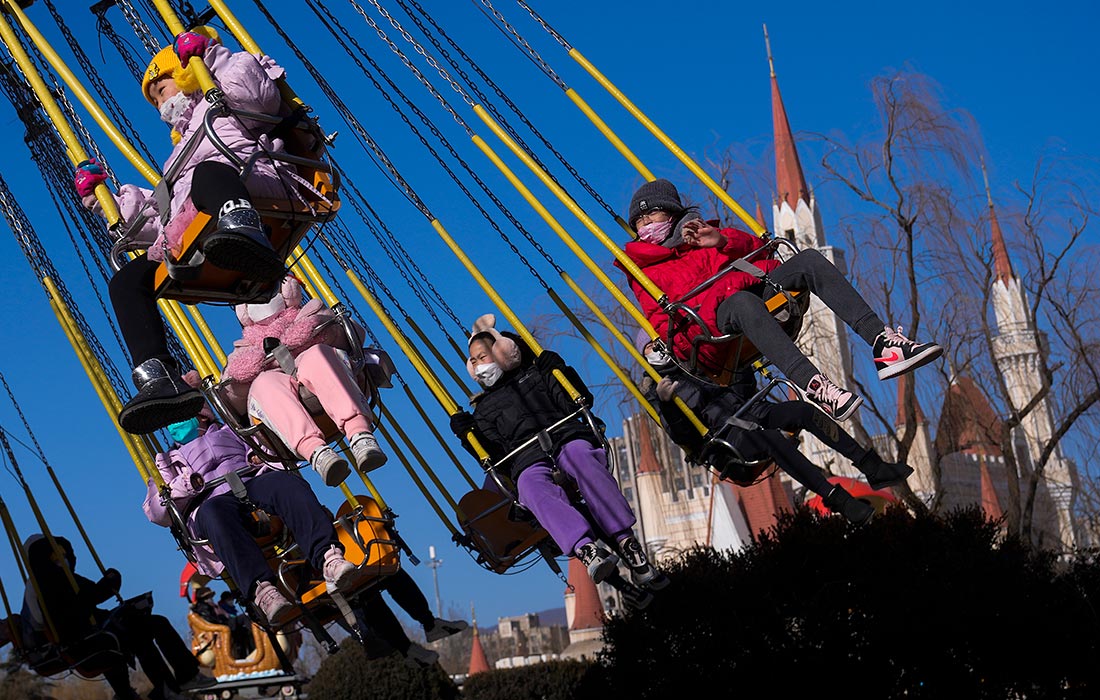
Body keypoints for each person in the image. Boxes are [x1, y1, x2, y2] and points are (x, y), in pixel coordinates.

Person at [77, 27, 314, 435]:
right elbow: (164, 218)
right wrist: (113, 205)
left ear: (185, 73)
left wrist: (212, 59)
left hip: (256, 183)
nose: (161, 102)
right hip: (205, 220)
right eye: (154, 99)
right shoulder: (179, 151)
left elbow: (258, 96)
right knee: (126, 280)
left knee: (208, 171)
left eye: (163, 88)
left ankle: (243, 229)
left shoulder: (220, 99)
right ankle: (159, 376)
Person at [616, 179, 943, 422]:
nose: (648, 227)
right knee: (743, 302)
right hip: (708, 332)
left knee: (810, 261)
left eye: (653, 217)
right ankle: (816, 386)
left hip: (748, 290)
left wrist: (722, 240)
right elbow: (663, 322)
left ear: (672, 215)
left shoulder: (698, 234)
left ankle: (884, 344)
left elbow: (762, 251)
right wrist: (728, 286)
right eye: (641, 223)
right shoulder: (641, 269)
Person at [141, 405, 435, 664]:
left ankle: (328, 556)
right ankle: (262, 589)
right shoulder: (168, 460)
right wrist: (184, 487)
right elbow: (157, 510)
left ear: (201, 416)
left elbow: (268, 448)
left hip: (250, 482)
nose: (174, 426)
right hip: (211, 501)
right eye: (171, 422)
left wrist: (262, 457)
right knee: (214, 515)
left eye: (182, 417)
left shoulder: (232, 429)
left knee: (287, 484)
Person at [449, 314, 669, 598]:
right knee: (529, 486)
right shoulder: (484, 410)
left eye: (484, 356)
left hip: (565, 437)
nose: (480, 366)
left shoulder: (537, 375)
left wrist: (560, 372)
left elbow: (578, 400)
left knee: (581, 457)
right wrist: (470, 436)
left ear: (504, 350)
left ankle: (625, 540)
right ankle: (585, 548)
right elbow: (496, 456)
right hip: (526, 457)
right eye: (474, 361)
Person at [638, 333, 913, 524]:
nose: (658, 348)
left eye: (659, 341)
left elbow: (741, 388)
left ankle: (871, 465)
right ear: (644, 355)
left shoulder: (695, 361)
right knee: (769, 439)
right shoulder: (657, 392)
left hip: (751, 412)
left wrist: (738, 362)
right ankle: (837, 499)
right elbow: (682, 436)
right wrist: (669, 405)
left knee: (802, 411)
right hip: (726, 440)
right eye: (651, 346)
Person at [220, 275, 388, 487]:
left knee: (316, 356)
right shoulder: (244, 349)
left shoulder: (311, 315)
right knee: (263, 383)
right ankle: (317, 453)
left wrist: (313, 333)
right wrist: (249, 367)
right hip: (283, 407)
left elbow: (354, 333)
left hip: (323, 380)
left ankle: (360, 434)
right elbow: (231, 396)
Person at [20, 535, 215, 700]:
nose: (63, 560)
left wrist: (111, 587)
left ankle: (158, 687)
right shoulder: (44, 584)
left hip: (91, 635)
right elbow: (85, 600)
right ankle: (179, 678)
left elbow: (92, 595)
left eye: (63, 555)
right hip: (81, 642)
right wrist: (110, 582)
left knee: (139, 628)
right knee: (149, 627)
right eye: (56, 556)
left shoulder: (62, 579)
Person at [191, 586, 253, 660]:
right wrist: (223, 621)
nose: (211, 598)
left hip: (224, 624)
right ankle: (256, 635)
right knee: (244, 617)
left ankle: (248, 651)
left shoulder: (210, 606)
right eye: (208, 597)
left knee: (243, 630)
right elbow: (212, 620)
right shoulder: (204, 607)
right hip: (223, 626)